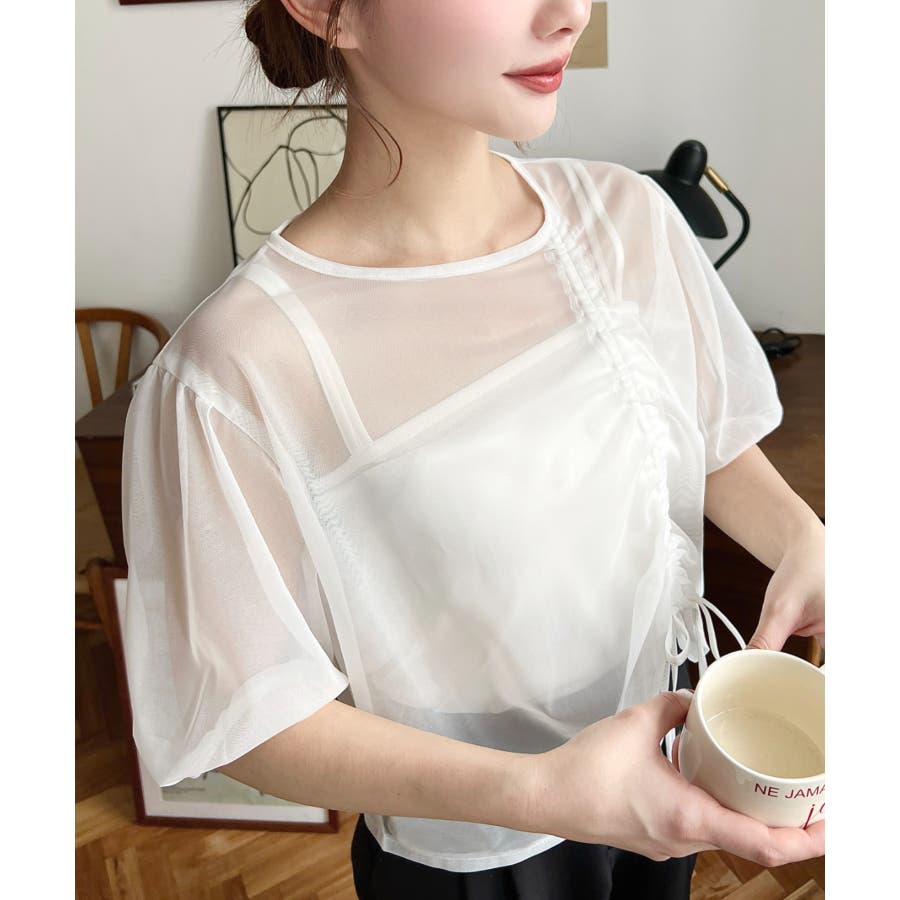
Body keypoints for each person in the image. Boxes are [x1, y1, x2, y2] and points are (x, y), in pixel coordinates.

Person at [119, 0, 826, 897]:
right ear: (327, 11)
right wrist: (542, 792)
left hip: (672, 767)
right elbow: (247, 716)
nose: (570, 12)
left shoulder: (627, 217)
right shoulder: (236, 367)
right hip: (477, 854)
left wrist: (801, 537)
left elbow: (696, 432)